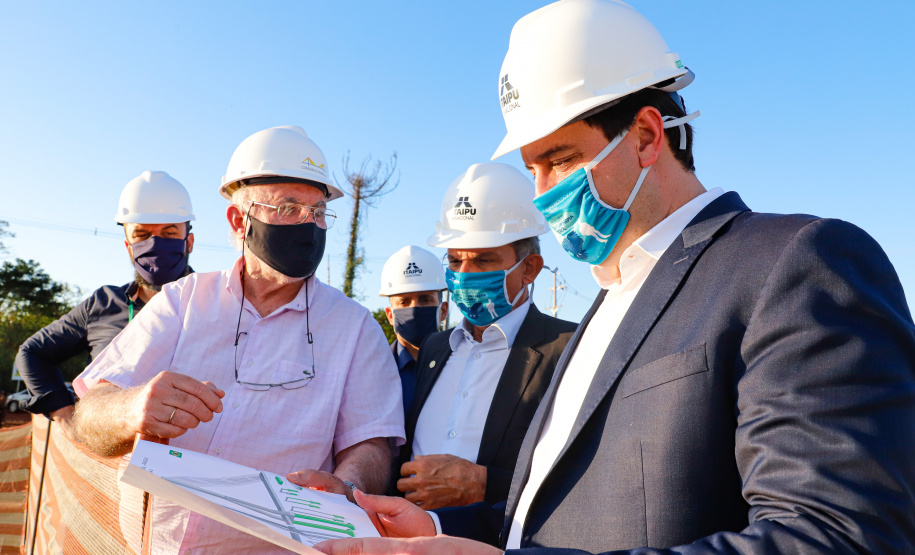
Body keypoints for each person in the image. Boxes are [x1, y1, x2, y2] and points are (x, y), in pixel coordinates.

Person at [315, 1, 915, 554]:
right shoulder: (611, 302)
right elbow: (552, 512)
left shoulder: (794, 264)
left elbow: (839, 534)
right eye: (533, 169)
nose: (544, 194)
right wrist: (443, 529)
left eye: (564, 160)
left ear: (649, 136)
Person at [73, 125, 405, 554]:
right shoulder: (182, 302)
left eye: (318, 211)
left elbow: (373, 444)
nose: (309, 224)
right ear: (238, 219)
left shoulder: (356, 329)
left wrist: (348, 485)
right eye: (288, 207)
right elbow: (90, 414)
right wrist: (131, 407)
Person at [393, 163, 577, 510]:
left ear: (529, 269)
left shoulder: (568, 349)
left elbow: (579, 475)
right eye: (455, 261)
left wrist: (484, 485)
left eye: (483, 261)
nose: (464, 275)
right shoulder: (435, 348)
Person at [16, 170, 195, 442]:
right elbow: (32, 353)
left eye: (169, 233)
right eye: (142, 234)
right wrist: (66, 416)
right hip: (102, 463)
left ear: (188, 242)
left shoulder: (220, 305)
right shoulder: (102, 304)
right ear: (128, 246)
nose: (155, 243)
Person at [379, 245, 449, 413]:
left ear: (443, 311)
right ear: (390, 315)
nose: (415, 308)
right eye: (404, 302)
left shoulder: (463, 362)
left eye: (425, 299)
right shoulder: (375, 371)